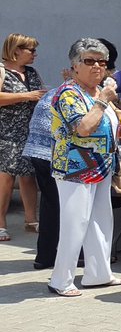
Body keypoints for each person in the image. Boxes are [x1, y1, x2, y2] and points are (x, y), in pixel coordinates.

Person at [45, 39, 121, 296]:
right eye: (89, 61)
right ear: (74, 66)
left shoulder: (97, 91)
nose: (97, 67)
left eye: (101, 62)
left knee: (101, 221)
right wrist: (103, 101)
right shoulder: (68, 93)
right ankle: (61, 279)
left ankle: (98, 274)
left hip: (101, 165)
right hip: (75, 168)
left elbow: (109, 126)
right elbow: (83, 127)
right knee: (75, 222)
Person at [0, 33, 46, 241]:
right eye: (31, 50)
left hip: (29, 130)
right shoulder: (2, 72)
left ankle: (31, 220)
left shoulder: (32, 72)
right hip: (6, 132)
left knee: (28, 176)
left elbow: (39, 94)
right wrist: (27, 96)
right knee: (6, 178)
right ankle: (0, 223)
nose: (35, 54)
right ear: (16, 50)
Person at [23, 93, 63, 269]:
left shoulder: (55, 92)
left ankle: (45, 257)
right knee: (62, 206)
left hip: (38, 151)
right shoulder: (74, 95)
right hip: (51, 154)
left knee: (50, 204)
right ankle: (70, 256)